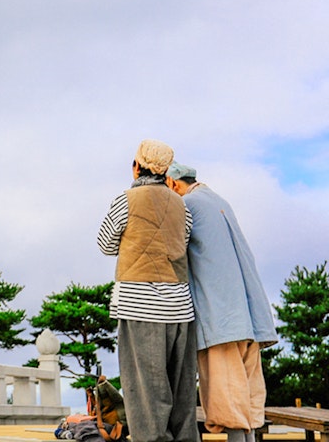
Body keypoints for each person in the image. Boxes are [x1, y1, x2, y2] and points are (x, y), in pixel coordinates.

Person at [165, 163, 277, 442]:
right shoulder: (219, 200)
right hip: (249, 316)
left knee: (226, 393)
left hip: (220, 317)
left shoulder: (187, 204)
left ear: (174, 184)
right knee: (247, 392)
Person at [97, 139, 199, 442]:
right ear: (166, 171)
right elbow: (184, 242)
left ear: (136, 166)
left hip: (140, 306)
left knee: (146, 393)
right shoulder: (182, 206)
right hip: (180, 307)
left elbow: (105, 245)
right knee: (181, 392)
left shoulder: (126, 200)